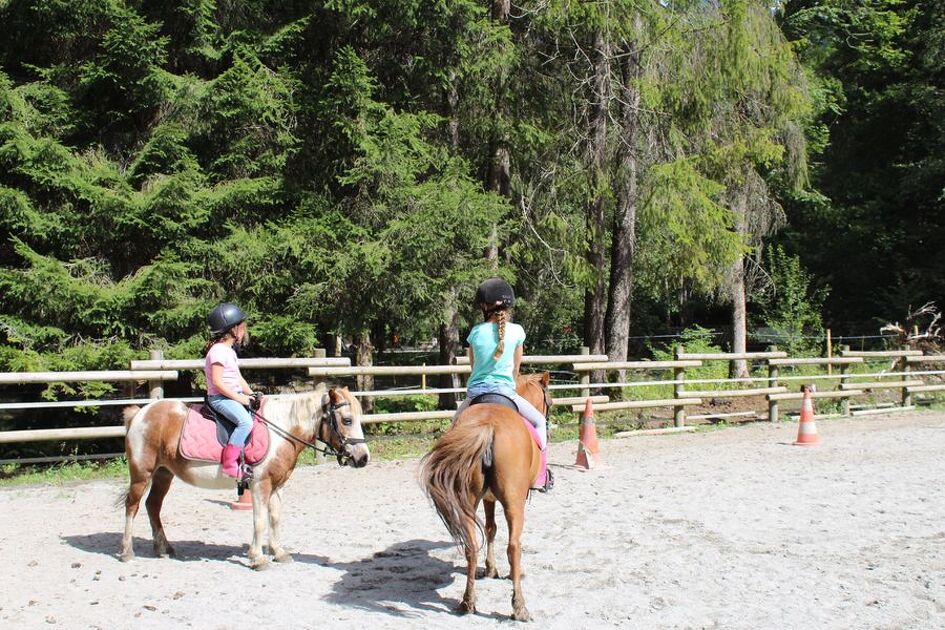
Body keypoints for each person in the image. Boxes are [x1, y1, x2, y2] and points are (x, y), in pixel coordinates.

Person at [455, 278, 548, 451]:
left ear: (484, 306)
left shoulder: (475, 332)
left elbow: (473, 367)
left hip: (475, 393)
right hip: (505, 391)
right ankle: (542, 475)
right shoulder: (518, 331)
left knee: (452, 430)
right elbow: (515, 370)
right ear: (508, 305)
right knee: (540, 422)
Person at [203, 302, 259, 478]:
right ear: (233, 329)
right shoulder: (219, 351)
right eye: (242, 326)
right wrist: (240, 398)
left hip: (230, 396)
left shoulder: (229, 351)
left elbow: (237, 378)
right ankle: (229, 464)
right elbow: (218, 382)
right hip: (220, 398)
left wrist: (251, 393)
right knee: (245, 422)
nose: (245, 330)